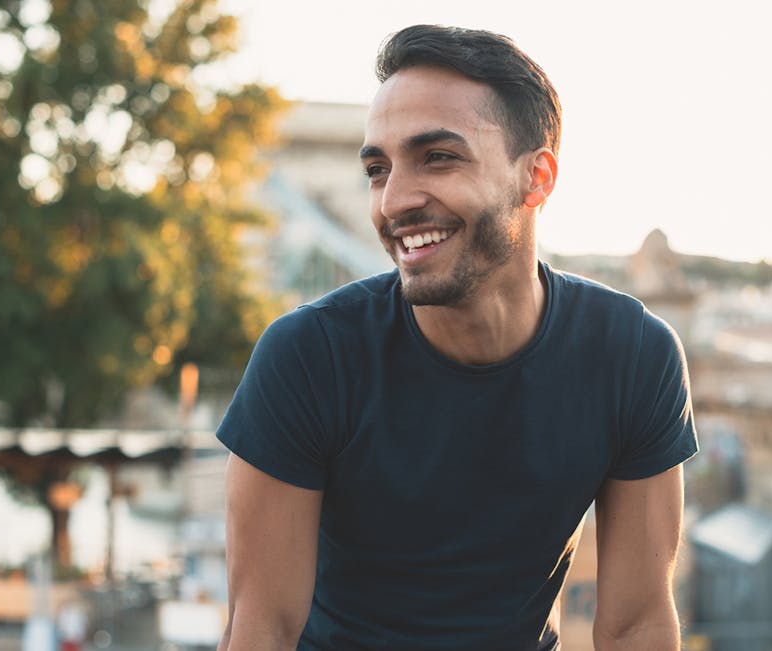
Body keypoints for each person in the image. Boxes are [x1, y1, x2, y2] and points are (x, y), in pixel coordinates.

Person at [217, 24, 698, 651]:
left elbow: (638, 625)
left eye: (438, 157)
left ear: (537, 178)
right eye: (377, 169)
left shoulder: (633, 356)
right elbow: (260, 632)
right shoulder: (308, 356)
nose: (393, 201)